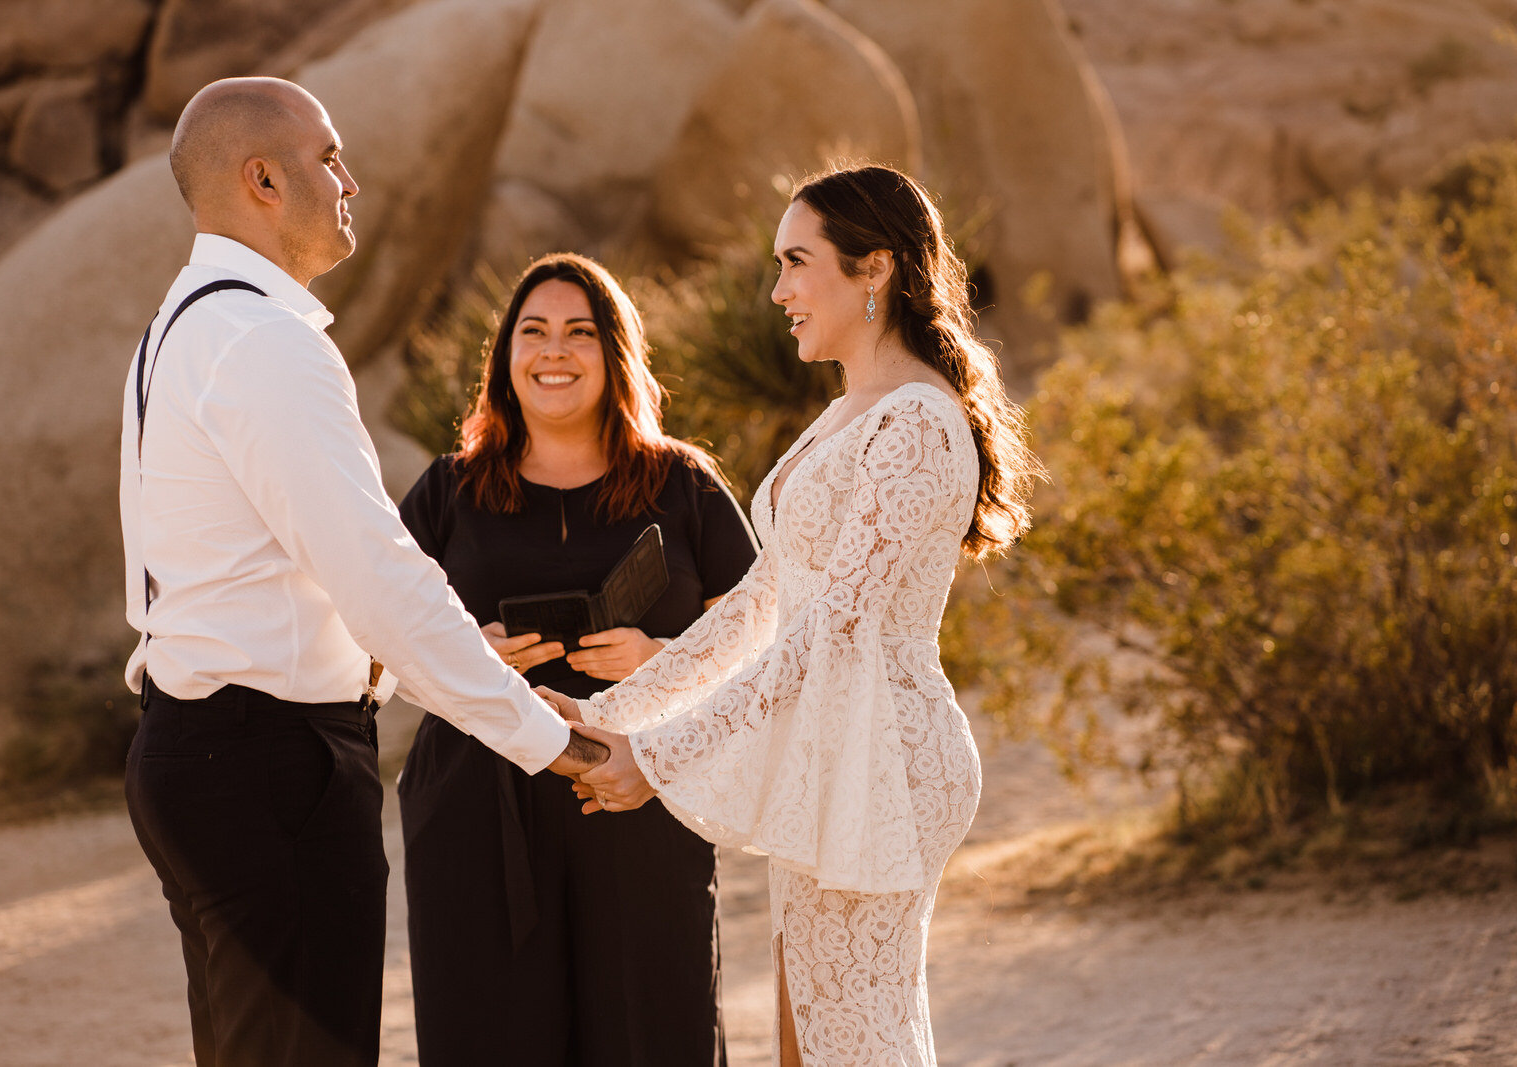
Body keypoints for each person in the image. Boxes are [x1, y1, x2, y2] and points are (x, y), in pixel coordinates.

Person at [118, 78, 606, 1067]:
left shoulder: (180, 324)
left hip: (200, 748)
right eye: (328, 158)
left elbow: (271, 570)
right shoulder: (263, 341)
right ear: (261, 180)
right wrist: (547, 737)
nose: (351, 180)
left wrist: (431, 657)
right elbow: (375, 571)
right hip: (268, 766)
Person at [550, 164, 1042, 1066]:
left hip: (887, 754)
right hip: (836, 746)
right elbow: (758, 607)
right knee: (812, 1039)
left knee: (849, 1042)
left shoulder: (919, 427)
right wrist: (616, 716)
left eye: (797, 262)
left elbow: (835, 630)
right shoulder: (847, 415)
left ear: (875, 269)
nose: (777, 291)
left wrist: (656, 758)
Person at [395, 252, 758, 1066]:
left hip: (638, 803)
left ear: (615, 353)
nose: (554, 350)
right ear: (505, 357)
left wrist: (661, 659)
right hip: (475, 814)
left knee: (653, 1035)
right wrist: (465, 652)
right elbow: (374, 634)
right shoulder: (448, 491)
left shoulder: (685, 485)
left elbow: (762, 647)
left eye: (579, 332)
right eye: (534, 331)